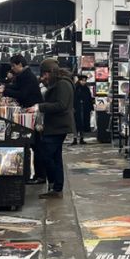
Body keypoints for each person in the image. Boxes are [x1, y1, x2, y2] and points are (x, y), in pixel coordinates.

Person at [36, 59, 75, 198]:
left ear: (50, 72)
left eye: (44, 74)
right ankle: (56, 187)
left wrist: (40, 107)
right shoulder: (59, 83)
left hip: (58, 126)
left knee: (47, 155)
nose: (43, 77)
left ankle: (55, 185)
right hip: (56, 126)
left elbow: (61, 105)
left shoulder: (63, 84)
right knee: (54, 156)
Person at [72, 74, 94, 145]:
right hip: (77, 109)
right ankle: (75, 138)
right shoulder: (75, 88)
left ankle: (81, 138)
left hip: (84, 108)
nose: (83, 82)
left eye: (85, 81)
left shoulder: (86, 88)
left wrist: (91, 108)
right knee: (76, 124)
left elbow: (89, 98)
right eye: (82, 80)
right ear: (79, 80)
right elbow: (73, 98)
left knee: (83, 123)